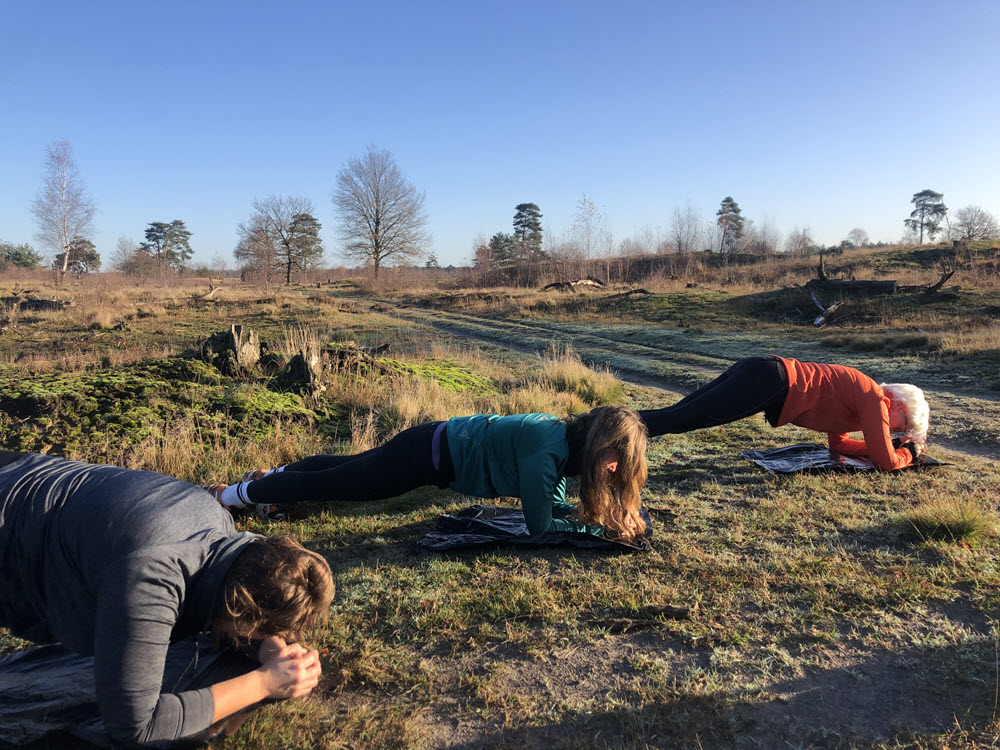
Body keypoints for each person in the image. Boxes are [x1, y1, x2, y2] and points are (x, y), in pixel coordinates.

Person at [0, 450, 334, 747]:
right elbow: (134, 725)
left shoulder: (215, 521)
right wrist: (265, 683)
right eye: (258, 631)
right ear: (239, 608)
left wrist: (272, 647)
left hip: (24, 475)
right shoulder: (151, 582)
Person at [213, 406, 649, 539]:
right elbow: (539, 526)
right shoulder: (546, 446)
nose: (612, 468)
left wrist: (591, 516)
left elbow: (550, 505)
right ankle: (231, 496)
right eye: (613, 456)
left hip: (431, 444)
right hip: (427, 456)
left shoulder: (560, 444)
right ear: (595, 441)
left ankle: (272, 477)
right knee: (343, 482)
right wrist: (605, 531)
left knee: (348, 467)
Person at [637, 356, 929, 471]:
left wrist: (885, 446)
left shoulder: (862, 399)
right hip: (771, 382)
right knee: (684, 418)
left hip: (764, 371)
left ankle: (608, 422)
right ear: (899, 407)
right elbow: (885, 463)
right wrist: (909, 453)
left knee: (680, 412)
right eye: (900, 428)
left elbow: (838, 445)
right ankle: (606, 429)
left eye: (898, 434)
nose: (894, 433)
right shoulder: (874, 400)